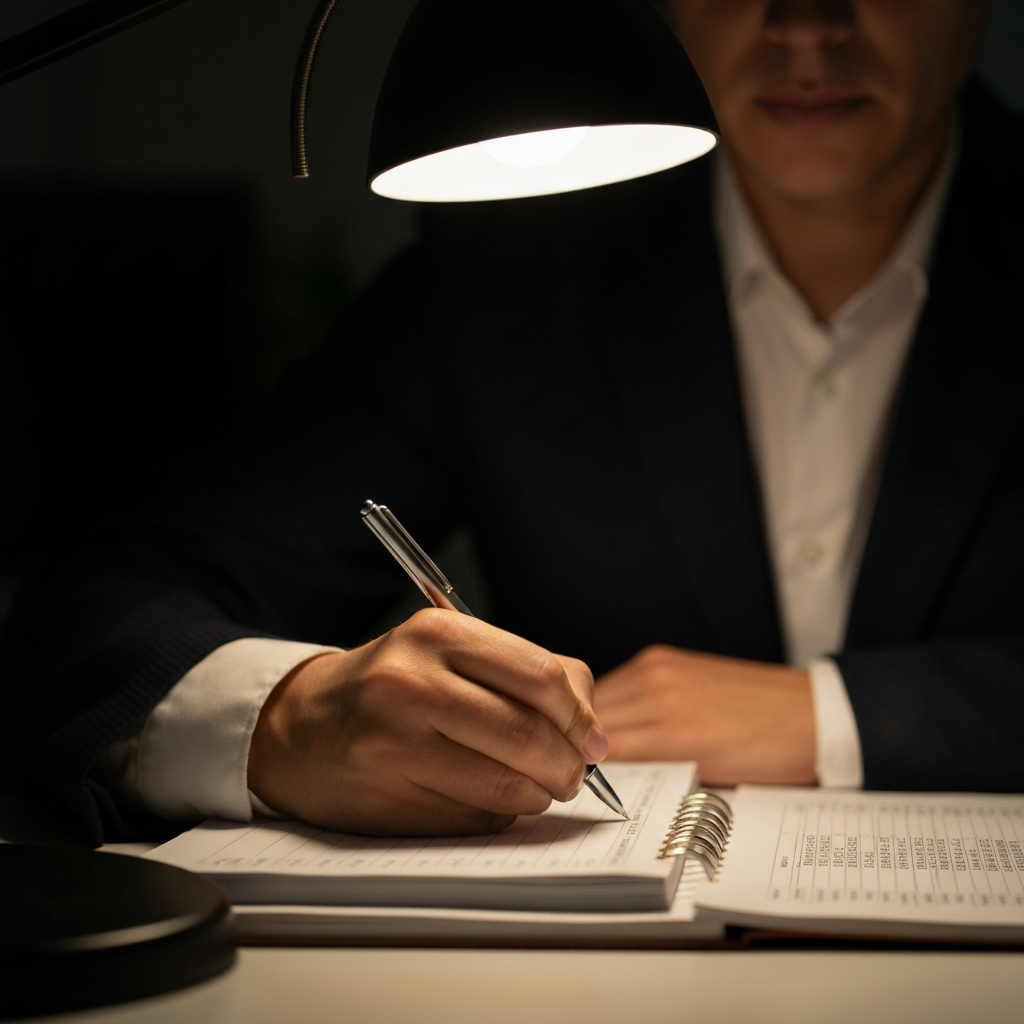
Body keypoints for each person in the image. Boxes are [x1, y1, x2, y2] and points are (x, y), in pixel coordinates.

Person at [1, 0, 1021, 845]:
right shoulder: (512, 272)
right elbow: (99, 612)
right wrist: (289, 716)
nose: (804, 25)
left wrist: (835, 717)